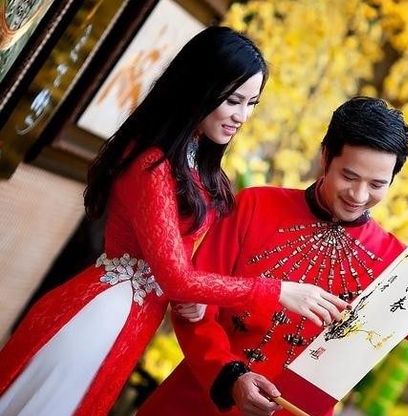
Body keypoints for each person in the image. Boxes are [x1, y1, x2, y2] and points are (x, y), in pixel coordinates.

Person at [0, 27, 346, 416]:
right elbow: (175, 275)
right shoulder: (150, 163)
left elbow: (175, 265)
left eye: (252, 103)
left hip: (131, 320)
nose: (243, 116)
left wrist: (189, 297)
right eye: (233, 100)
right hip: (100, 316)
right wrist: (276, 291)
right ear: (198, 88)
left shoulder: (194, 161)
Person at [138, 96, 408, 416]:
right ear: (325, 157)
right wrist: (231, 377)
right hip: (196, 399)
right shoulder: (254, 205)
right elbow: (194, 308)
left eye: (377, 184)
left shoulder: (393, 263)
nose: (359, 195)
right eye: (349, 176)